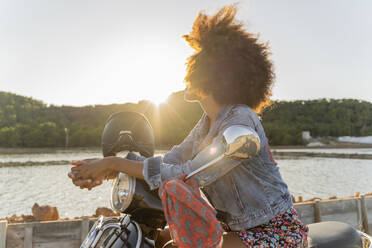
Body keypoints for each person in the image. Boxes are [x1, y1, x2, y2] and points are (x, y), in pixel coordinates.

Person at [68, 5, 308, 247]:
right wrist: (111, 170)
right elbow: (171, 160)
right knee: (162, 242)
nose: (186, 74)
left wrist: (114, 163)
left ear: (211, 78)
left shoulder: (240, 121)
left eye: (194, 67)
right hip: (237, 228)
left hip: (275, 232)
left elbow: (191, 173)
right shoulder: (207, 124)